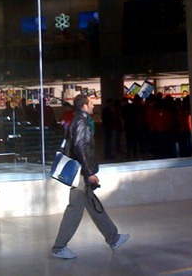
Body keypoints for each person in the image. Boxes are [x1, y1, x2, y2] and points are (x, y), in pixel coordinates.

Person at [51, 94, 129, 259]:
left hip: (81, 171)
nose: (94, 106)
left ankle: (113, 238)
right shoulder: (81, 122)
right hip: (80, 173)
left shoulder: (80, 120)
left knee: (93, 205)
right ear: (84, 106)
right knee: (75, 209)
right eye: (91, 103)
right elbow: (80, 148)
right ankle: (59, 247)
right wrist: (89, 172)